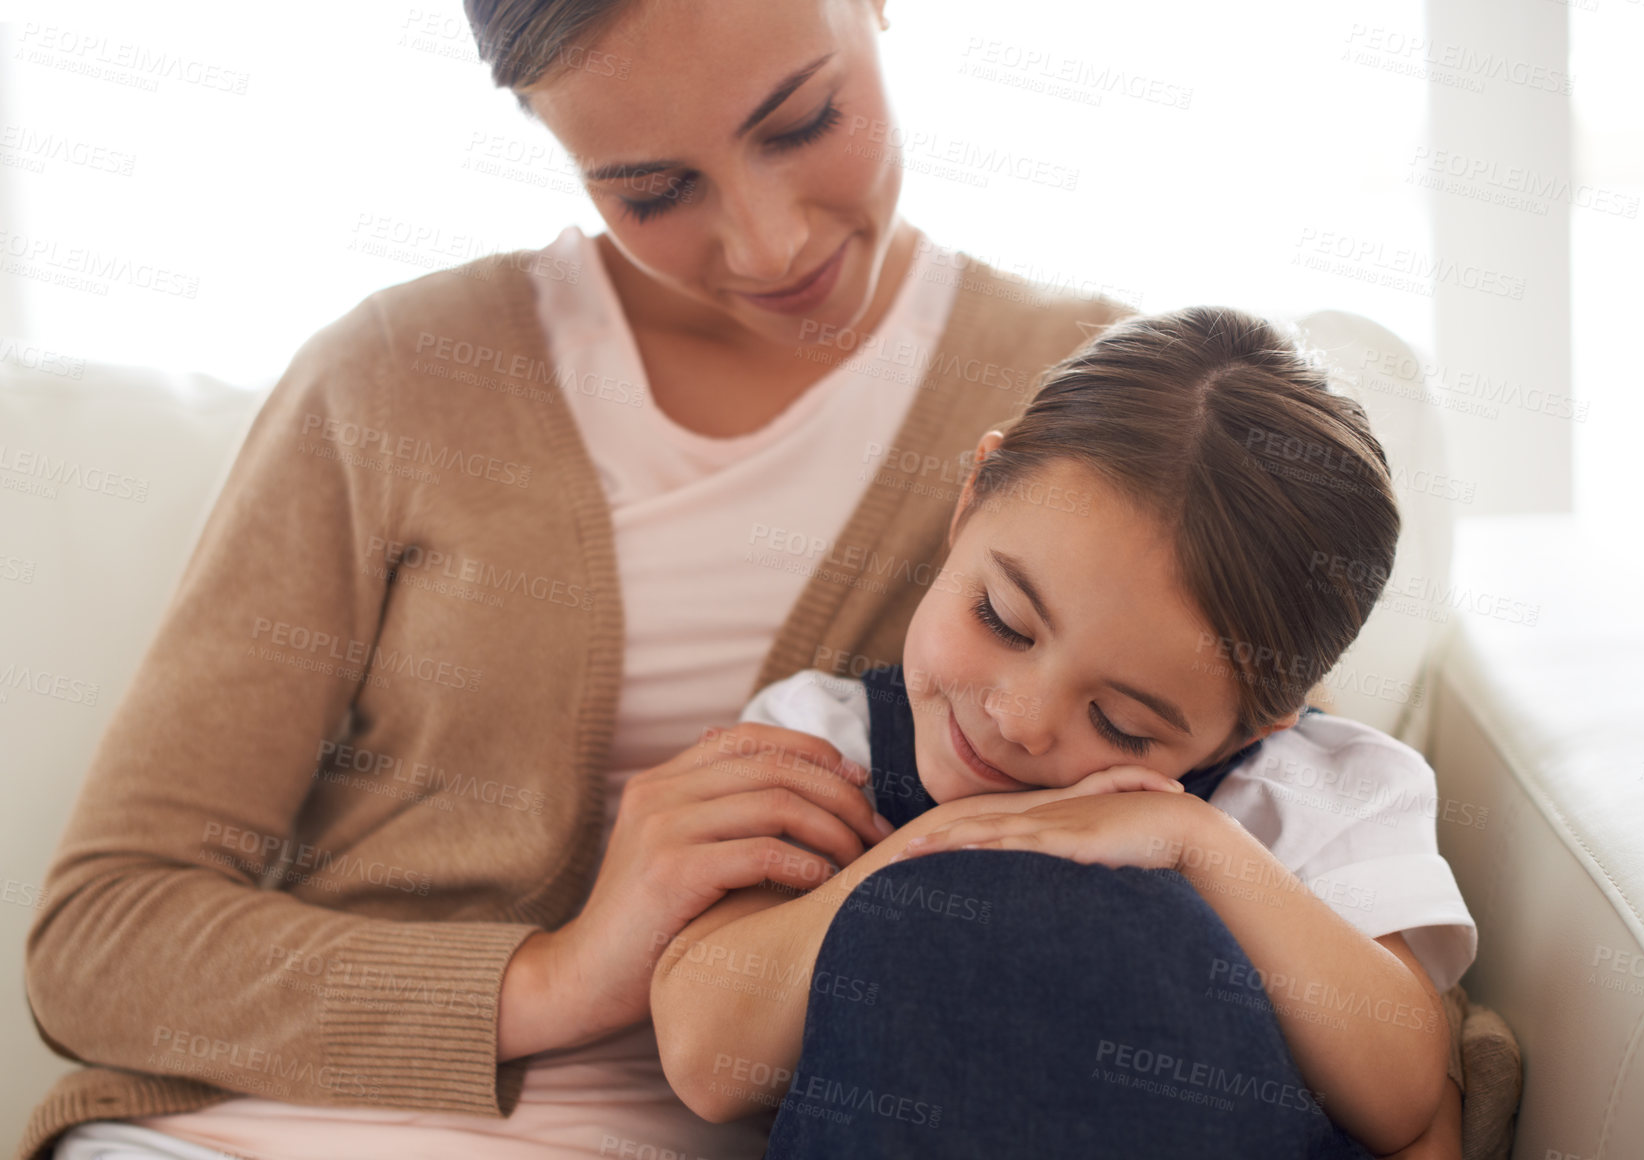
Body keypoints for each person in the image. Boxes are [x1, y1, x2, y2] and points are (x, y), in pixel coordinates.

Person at [18, 2, 1152, 1159]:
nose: (767, 245)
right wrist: (558, 975)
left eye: (805, 120)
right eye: (652, 192)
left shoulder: (1105, 410)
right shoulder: (402, 378)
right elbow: (102, 938)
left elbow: (1245, 834)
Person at [649, 308, 1475, 1157]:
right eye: (1002, 620)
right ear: (974, 495)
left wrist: (1197, 841)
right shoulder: (824, 743)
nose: (1018, 720)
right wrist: (937, 843)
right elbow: (707, 1059)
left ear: (1248, 729)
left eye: (1120, 724)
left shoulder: (1307, 795)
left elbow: (1405, 1095)